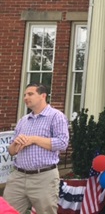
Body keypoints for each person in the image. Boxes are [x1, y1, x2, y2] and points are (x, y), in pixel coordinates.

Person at [4, 83, 69, 214]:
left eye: (30, 94)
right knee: (6, 211)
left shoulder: (56, 116)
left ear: (43, 96)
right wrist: (15, 144)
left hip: (44, 177)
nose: (26, 98)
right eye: (24, 95)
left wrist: (34, 139)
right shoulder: (23, 120)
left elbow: (62, 143)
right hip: (18, 176)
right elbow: (11, 151)